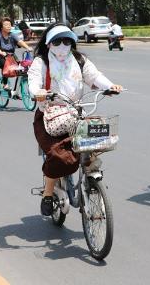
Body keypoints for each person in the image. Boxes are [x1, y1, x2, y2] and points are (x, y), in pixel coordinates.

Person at [28, 23, 123, 216]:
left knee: (96, 139)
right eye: (57, 41)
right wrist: (38, 93)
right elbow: (34, 82)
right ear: (48, 43)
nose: (62, 45)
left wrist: (110, 86)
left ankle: (90, 176)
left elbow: (95, 77)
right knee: (59, 156)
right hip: (49, 117)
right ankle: (48, 193)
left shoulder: (79, 60)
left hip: (75, 114)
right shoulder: (41, 62)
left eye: (67, 41)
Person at [0, 17, 32, 88]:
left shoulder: (12, 34)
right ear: (1, 27)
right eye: (6, 25)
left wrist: (27, 47)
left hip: (11, 55)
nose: (8, 26)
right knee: (5, 65)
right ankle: (5, 84)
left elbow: (20, 42)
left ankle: (17, 90)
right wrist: (1, 52)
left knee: (21, 67)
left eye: (10, 25)